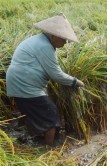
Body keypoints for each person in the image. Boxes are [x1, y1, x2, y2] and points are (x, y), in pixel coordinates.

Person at [6, 13, 85, 146]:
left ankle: (35, 138)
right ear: (53, 36)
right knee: (51, 114)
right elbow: (56, 75)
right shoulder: (45, 46)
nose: (65, 42)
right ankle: (50, 149)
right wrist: (76, 82)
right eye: (63, 39)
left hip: (20, 85)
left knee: (39, 112)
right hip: (25, 87)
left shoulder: (40, 41)